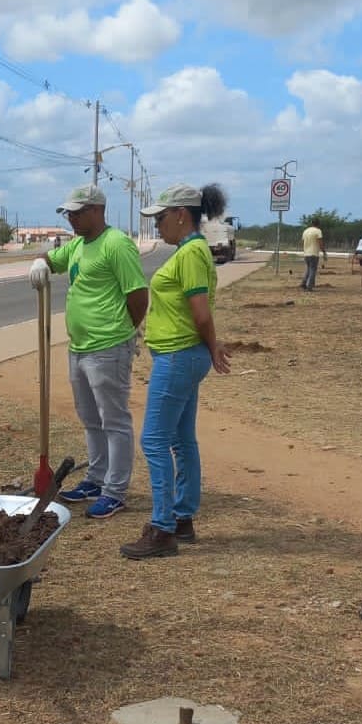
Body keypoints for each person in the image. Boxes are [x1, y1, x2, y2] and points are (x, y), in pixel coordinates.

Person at [120, 183, 232, 560]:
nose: (157, 226)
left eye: (161, 218)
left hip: (179, 356)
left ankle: (163, 528)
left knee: (153, 440)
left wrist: (213, 347)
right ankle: (181, 518)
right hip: (182, 354)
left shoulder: (191, 254)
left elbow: (201, 311)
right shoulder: (192, 251)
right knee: (181, 439)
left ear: (181, 215)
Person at [28, 185, 148, 520]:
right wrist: (39, 263)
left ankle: (115, 490)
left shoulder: (117, 244)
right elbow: (50, 260)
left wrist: (124, 331)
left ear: (97, 209)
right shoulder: (78, 245)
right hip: (79, 348)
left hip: (108, 347)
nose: (71, 218)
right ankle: (95, 479)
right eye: (68, 213)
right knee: (90, 418)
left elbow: (138, 295)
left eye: (77, 212)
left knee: (114, 420)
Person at [301, 222, 325, 291]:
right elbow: (320, 242)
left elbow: (303, 242)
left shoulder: (306, 231)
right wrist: (323, 251)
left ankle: (304, 283)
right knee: (313, 270)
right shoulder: (318, 231)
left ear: (312, 224)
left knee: (308, 269)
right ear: (318, 224)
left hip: (306, 253)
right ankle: (309, 286)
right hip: (314, 253)